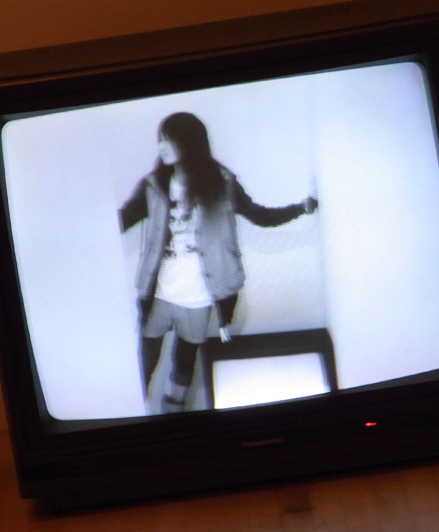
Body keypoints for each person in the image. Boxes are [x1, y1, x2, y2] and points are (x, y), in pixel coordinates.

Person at [118, 112, 317, 414]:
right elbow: (122, 220)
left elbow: (260, 215)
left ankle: (172, 414)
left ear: (190, 142)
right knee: (144, 363)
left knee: (184, 362)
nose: (161, 147)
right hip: (158, 295)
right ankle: (126, 416)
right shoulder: (153, 186)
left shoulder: (222, 184)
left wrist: (301, 208)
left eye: (168, 139)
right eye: (160, 140)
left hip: (198, 297)